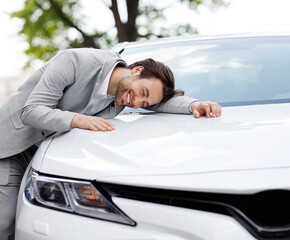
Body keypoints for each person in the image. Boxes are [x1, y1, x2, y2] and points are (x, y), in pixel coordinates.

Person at [0, 48, 221, 239]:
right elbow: (30, 111)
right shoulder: (74, 61)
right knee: (5, 224)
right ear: (136, 70)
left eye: (143, 102)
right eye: (141, 93)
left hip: (51, 160)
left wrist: (195, 105)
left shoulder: (128, 91)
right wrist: (77, 120)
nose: (135, 102)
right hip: (13, 147)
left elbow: (162, 102)